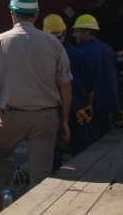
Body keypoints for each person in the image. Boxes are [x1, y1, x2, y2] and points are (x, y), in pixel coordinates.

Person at [0, 0, 72, 214]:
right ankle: (38, 208)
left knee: (0, 154)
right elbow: (66, 85)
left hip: (11, 115)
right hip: (45, 117)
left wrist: (0, 111)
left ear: (12, 14)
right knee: (40, 175)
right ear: (36, 15)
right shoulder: (53, 43)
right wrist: (65, 119)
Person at [42, 14, 92, 167]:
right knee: (80, 151)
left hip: (53, 112)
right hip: (77, 112)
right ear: (64, 32)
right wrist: (89, 105)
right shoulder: (78, 54)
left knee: (53, 153)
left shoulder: (43, 56)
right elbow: (89, 85)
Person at [72, 14, 118, 143]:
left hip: (94, 107)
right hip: (110, 104)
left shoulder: (84, 53)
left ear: (86, 32)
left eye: (76, 32)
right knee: (106, 143)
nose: (74, 35)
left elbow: (85, 83)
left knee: (92, 145)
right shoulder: (108, 49)